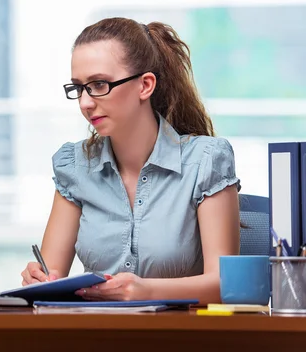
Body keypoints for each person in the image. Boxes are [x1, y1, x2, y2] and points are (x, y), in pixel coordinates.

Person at [20, 17, 241, 304]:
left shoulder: (206, 161)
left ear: (145, 85)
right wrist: (38, 279)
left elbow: (224, 284)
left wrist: (147, 291)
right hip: (98, 336)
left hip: (182, 337)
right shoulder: (74, 166)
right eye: (78, 88)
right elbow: (52, 277)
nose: (86, 103)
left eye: (99, 84)